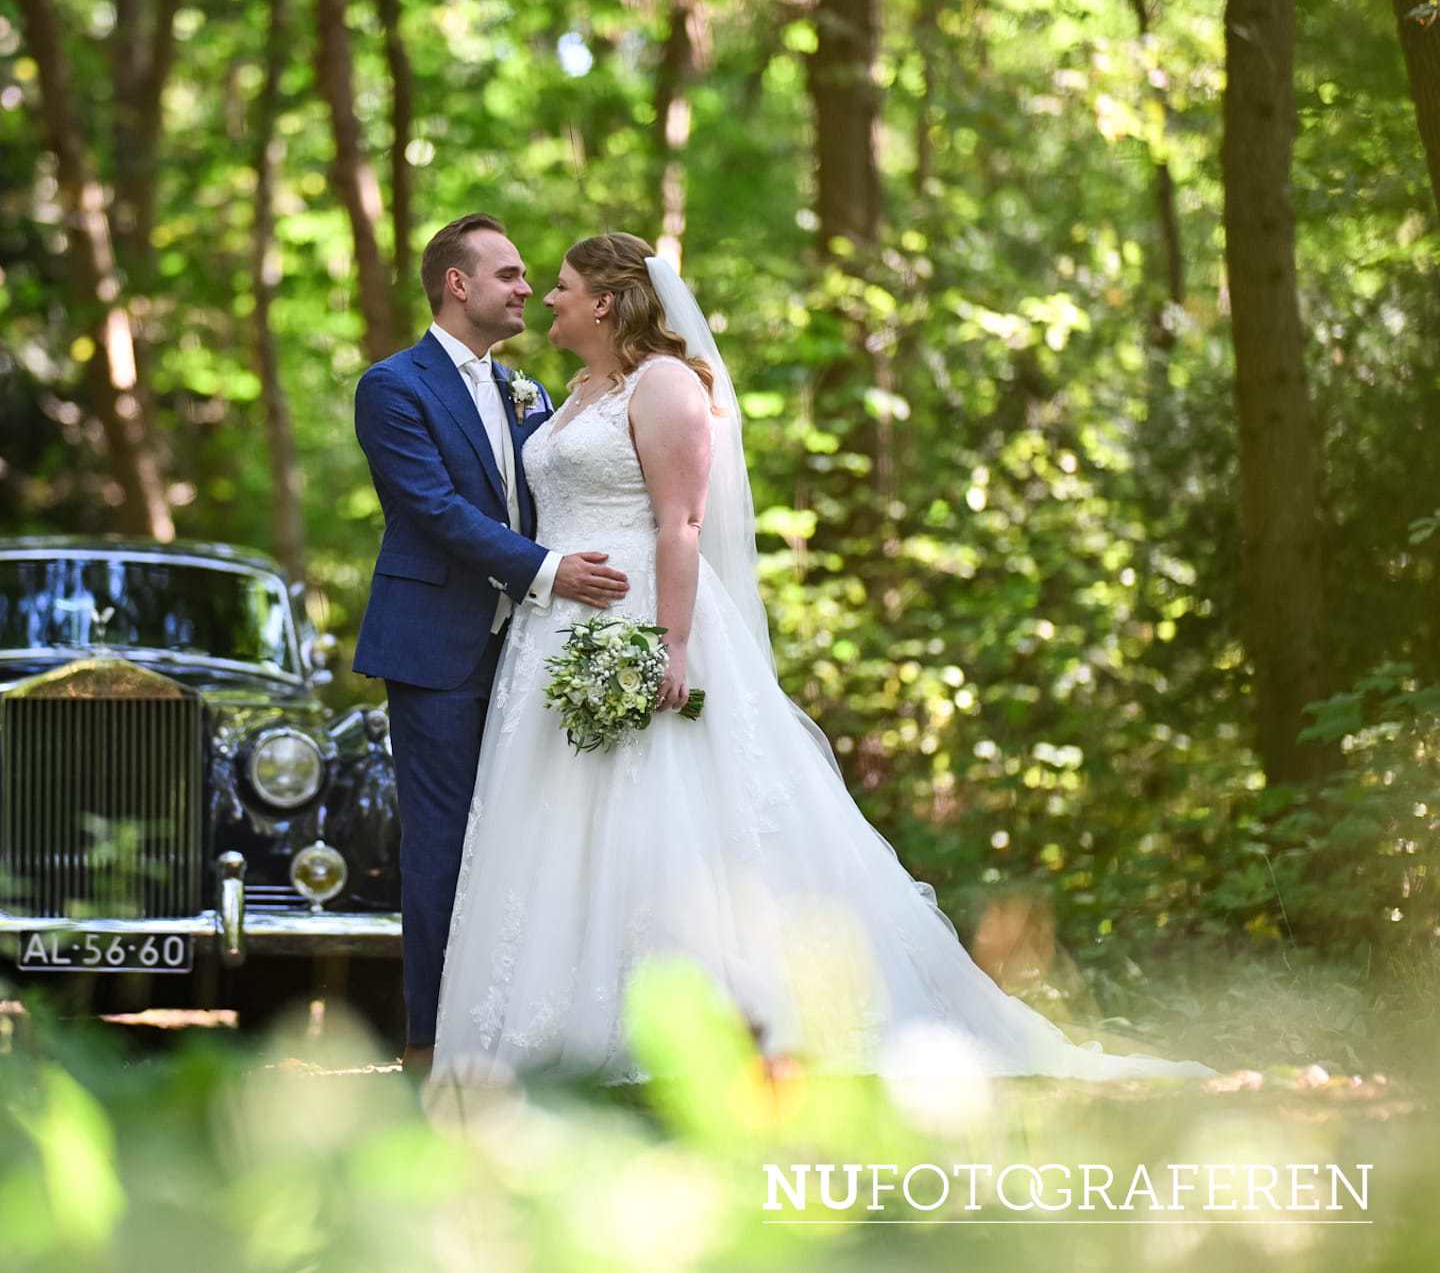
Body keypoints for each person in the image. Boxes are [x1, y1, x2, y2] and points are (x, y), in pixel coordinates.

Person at [427, 231, 1214, 1089]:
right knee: (559, 826)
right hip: (555, 632)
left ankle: (700, 1028)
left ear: (608, 301)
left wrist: (671, 645)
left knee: (660, 814)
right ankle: (554, 1036)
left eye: (565, 286)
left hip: (643, 617)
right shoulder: (573, 393)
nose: (548, 298)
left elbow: (680, 525)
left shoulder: (665, 387)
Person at [352, 213, 633, 1080]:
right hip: (436, 648)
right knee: (443, 846)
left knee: (525, 839)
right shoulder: (392, 387)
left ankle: (517, 1030)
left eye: (531, 279)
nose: (529, 290)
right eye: (510, 275)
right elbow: (434, 511)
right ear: (457, 285)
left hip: (531, 651)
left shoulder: (532, 392)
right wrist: (550, 572)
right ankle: (431, 1045)